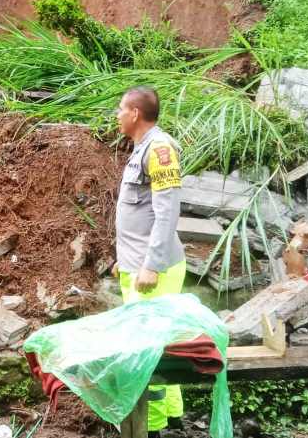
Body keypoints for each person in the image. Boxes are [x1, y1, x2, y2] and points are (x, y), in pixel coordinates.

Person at [113, 86, 186, 435]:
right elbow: (139, 212)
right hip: (139, 264)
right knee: (162, 344)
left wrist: (152, 265)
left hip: (154, 270)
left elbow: (167, 213)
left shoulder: (159, 149)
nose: (117, 115)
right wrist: (124, 260)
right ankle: (172, 416)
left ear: (135, 114)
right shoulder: (143, 148)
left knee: (147, 351)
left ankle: (151, 427)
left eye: (120, 109)